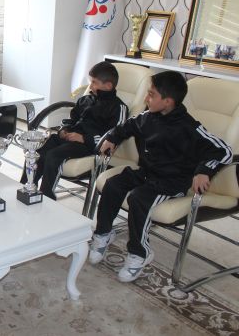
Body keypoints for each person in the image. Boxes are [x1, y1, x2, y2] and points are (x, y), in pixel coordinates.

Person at [89, 71, 232, 282]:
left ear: (168, 101)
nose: (146, 98)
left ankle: (140, 253)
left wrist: (204, 170)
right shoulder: (147, 117)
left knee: (138, 199)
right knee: (113, 184)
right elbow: (126, 126)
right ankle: (103, 233)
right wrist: (112, 137)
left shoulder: (189, 127)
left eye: (151, 94)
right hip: (147, 173)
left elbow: (224, 150)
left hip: (171, 181)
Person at [20, 61, 128, 200]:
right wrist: (63, 130)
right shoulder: (85, 100)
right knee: (37, 150)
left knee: (53, 155)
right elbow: (72, 120)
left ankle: (46, 196)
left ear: (108, 86)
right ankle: (25, 186)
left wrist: (83, 138)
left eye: (94, 82)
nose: (90, 86)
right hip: (70, 139)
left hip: (88, 146)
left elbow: (113, 136)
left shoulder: (118, 107)